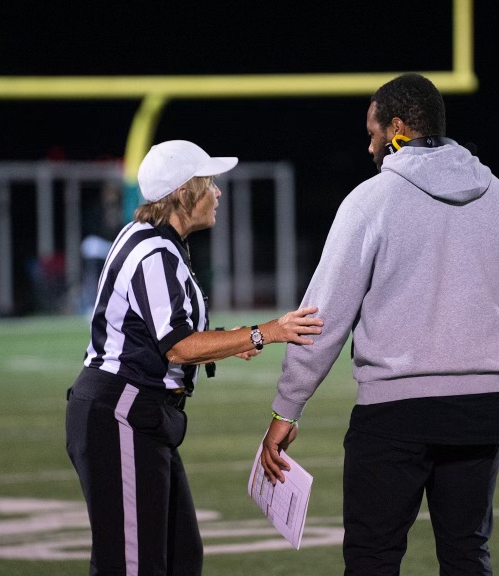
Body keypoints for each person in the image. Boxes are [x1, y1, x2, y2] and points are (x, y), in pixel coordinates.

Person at [259, 74, 499, 576]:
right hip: (482, 412)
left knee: (373, 559)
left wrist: (287, 409)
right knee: (467, 556)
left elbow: (321, 318)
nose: (370, 145)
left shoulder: (370, 201)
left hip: (396, 413)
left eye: (374, 132)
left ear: (397, 128)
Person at [66, 139, 323, 576]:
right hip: (122, 413)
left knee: (181, 556)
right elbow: (178, 345)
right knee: (133, 566)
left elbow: (166, 335)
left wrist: (235, 341)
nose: (218, 193)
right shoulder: (153, 251)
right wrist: (267, 332)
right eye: (210, 184)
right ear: (184, 193)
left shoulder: (156, 242)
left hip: (138, 414)